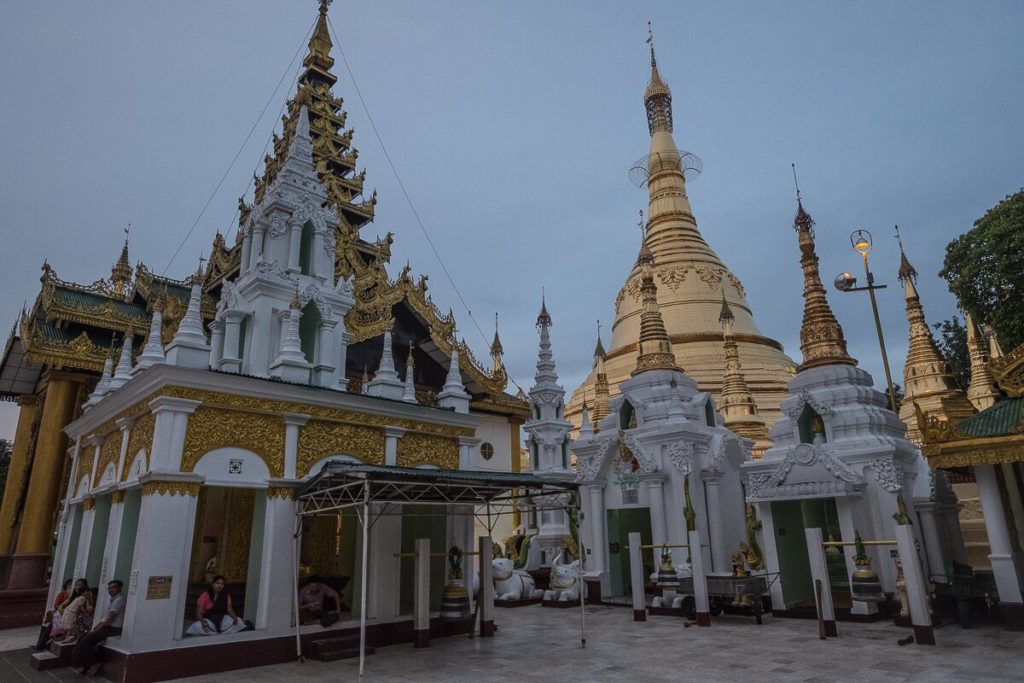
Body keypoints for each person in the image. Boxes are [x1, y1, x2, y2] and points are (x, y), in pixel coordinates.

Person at [71, 579, 125, 677]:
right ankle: (85, 664)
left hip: (113, 628)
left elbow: (110, 619)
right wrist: (94, 628)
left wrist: (96, 630)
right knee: (82, 637)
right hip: (107, 627)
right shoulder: (113, 600)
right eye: (110, 588)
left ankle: (94, 663)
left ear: (120, 588)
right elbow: (104, 619)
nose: (111, 590)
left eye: (114, 587)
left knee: (88, 640)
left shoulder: (119, 600)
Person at [35, 579, 73, 651]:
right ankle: (41, 645)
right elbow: (56, 606)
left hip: (65, 616)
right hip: (59, 615)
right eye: (69, 586)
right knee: (49, 626)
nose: (70, 588)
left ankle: (43, 645)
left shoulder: (72, 597)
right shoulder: (62, 595)